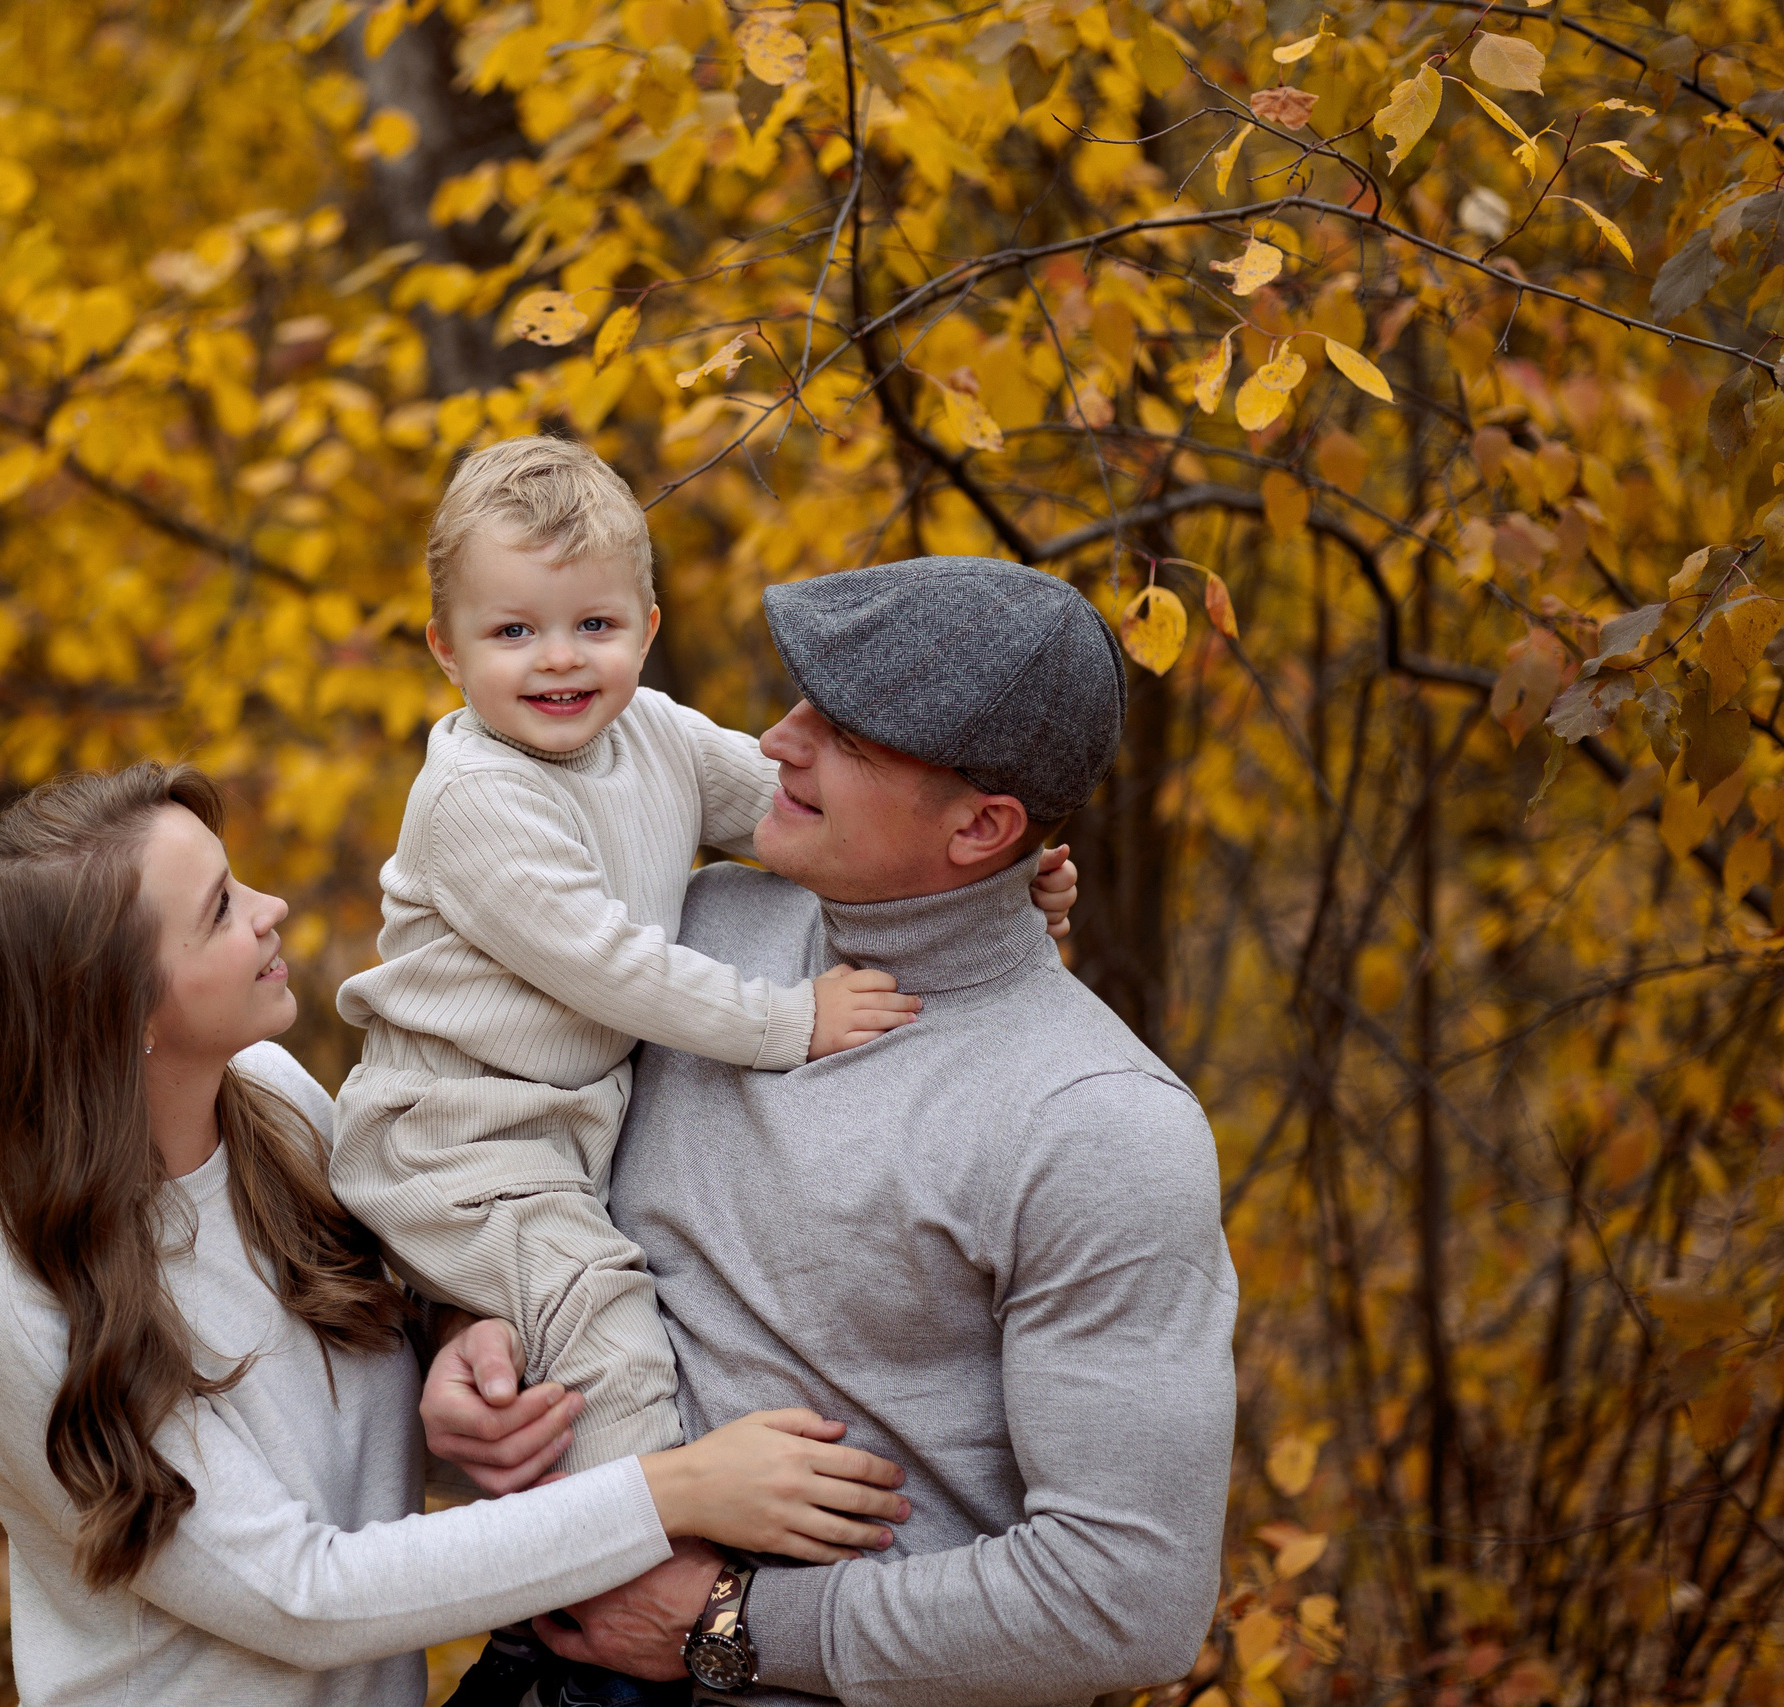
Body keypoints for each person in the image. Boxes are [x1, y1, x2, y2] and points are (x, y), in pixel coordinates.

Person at [0, 763, 919, 1707]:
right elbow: (297, 1595)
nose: (272, 907)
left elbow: (342, 1391)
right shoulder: (17, 1294)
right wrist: (672, 1492)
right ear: (120, 1008)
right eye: (221, 909)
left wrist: (449, 1348)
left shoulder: (273, 1102)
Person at [426, 558, 1239, 1707]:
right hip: (531, 1677)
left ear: (982, 828)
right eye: (802, 697)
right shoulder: (681, 940)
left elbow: (1124, 1598)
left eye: (846, 735)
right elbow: (486, 1152)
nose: (774, 739)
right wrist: (460, 1331)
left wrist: (724, 1624)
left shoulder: (1095, 1123)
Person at [329, 438, 1076, 1484]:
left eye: (594, 625)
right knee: (606, 1335)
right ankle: (642, 1571)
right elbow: (611, 965)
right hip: (459, 1141)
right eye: (512, 631)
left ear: (648, 627)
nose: (558, 659)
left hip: (566, 1132)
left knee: (588, 1334)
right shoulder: (474, 799)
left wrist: (1000, 880)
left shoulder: (653, 734)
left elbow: (807, 821)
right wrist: (788, 1022)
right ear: (445, 651)